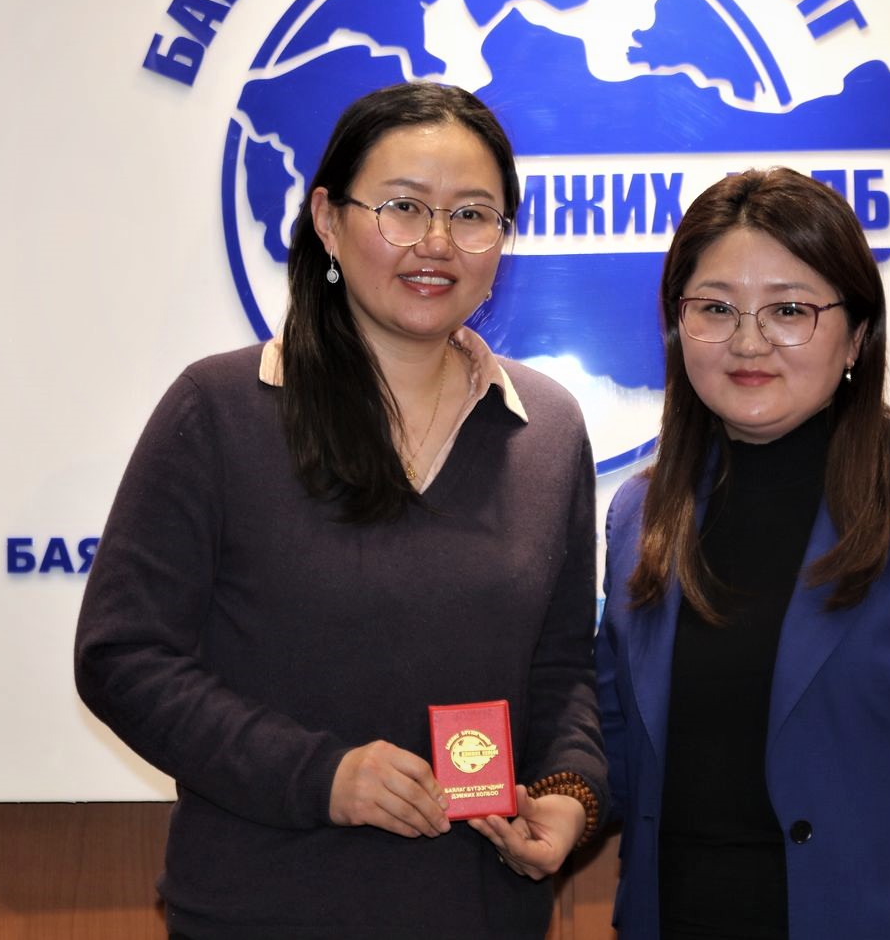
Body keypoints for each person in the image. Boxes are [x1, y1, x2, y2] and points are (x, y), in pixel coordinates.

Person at [75, 82, 608, 940]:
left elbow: (560, 671)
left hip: (481, 914)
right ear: (327, 219)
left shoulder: (545, 428)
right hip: (263, 913)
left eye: (473, 215)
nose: (437, 243)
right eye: (403, 207)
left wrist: (567, 794)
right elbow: (123, 658)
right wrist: (321, 777)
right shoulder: (220, 409)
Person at [596, 167, 890, 940]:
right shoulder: (641, 514)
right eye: (715, 308)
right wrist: (550, 795)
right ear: (679, 330)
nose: (749, 341)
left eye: (789, 310)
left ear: (855, 334)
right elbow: (615, 749)